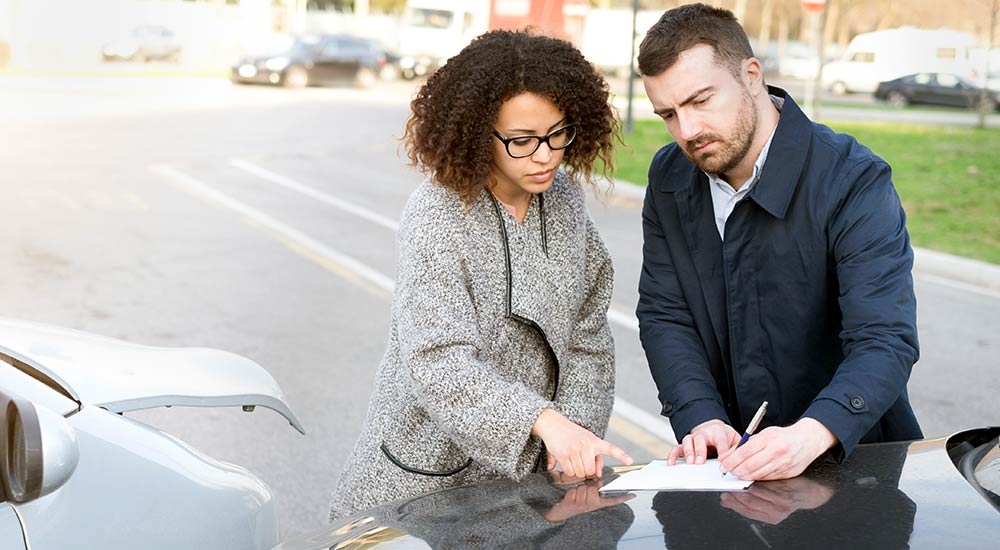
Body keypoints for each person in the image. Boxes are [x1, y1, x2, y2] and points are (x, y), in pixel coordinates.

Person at [329, 29, 633, 520]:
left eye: (558, 133)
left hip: (533, 479)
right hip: (425, 475)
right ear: (475, 131)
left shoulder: (565, 200)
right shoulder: (436, 215)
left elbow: (588, 335)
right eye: (521, 140)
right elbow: (437, 360)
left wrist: (572, 436)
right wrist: (542, 420)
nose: (545, 155)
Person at [635, 3, 922, 481]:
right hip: (726, 472)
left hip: (854, 469)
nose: (687, 131)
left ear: (751, 76)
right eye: (668, 113)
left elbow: (884, 339)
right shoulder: (669, 175)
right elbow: (666, 314)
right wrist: (699, 414)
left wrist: (810, 433)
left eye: (701, 100)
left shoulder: (853, 179)